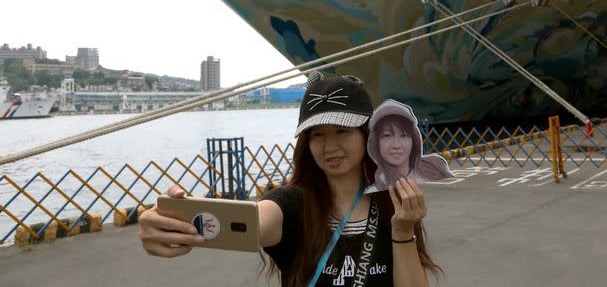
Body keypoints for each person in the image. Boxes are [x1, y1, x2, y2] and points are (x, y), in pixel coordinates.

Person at [139, 73, 441, 287]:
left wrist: (402, 229)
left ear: (368, 136)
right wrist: (170, 220)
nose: (329, 146)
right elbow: (252, 220)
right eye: (317, 134)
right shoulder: (292, 203)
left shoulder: (393, 202)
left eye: (342, 131)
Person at [366, 99, 453, 193]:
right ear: (376, 143)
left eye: (404, 135)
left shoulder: (436, 166)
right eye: (387, 135)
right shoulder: (375, 190)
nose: (396, 145)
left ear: (414, 140)